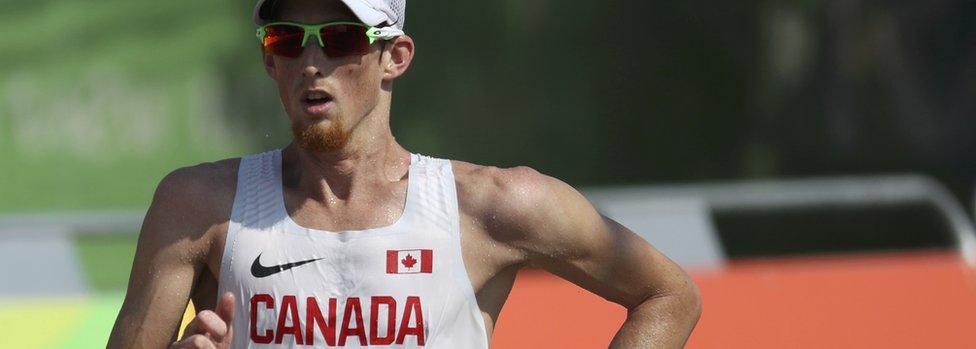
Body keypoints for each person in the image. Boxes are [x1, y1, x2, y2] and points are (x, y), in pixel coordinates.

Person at [107, 0, 701, 347]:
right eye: (288, 40)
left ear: (395, 56)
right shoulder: (197, 203)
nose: (312, 62)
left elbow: (669, 295)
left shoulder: (492, 206)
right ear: (269, 58)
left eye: (339, 38)